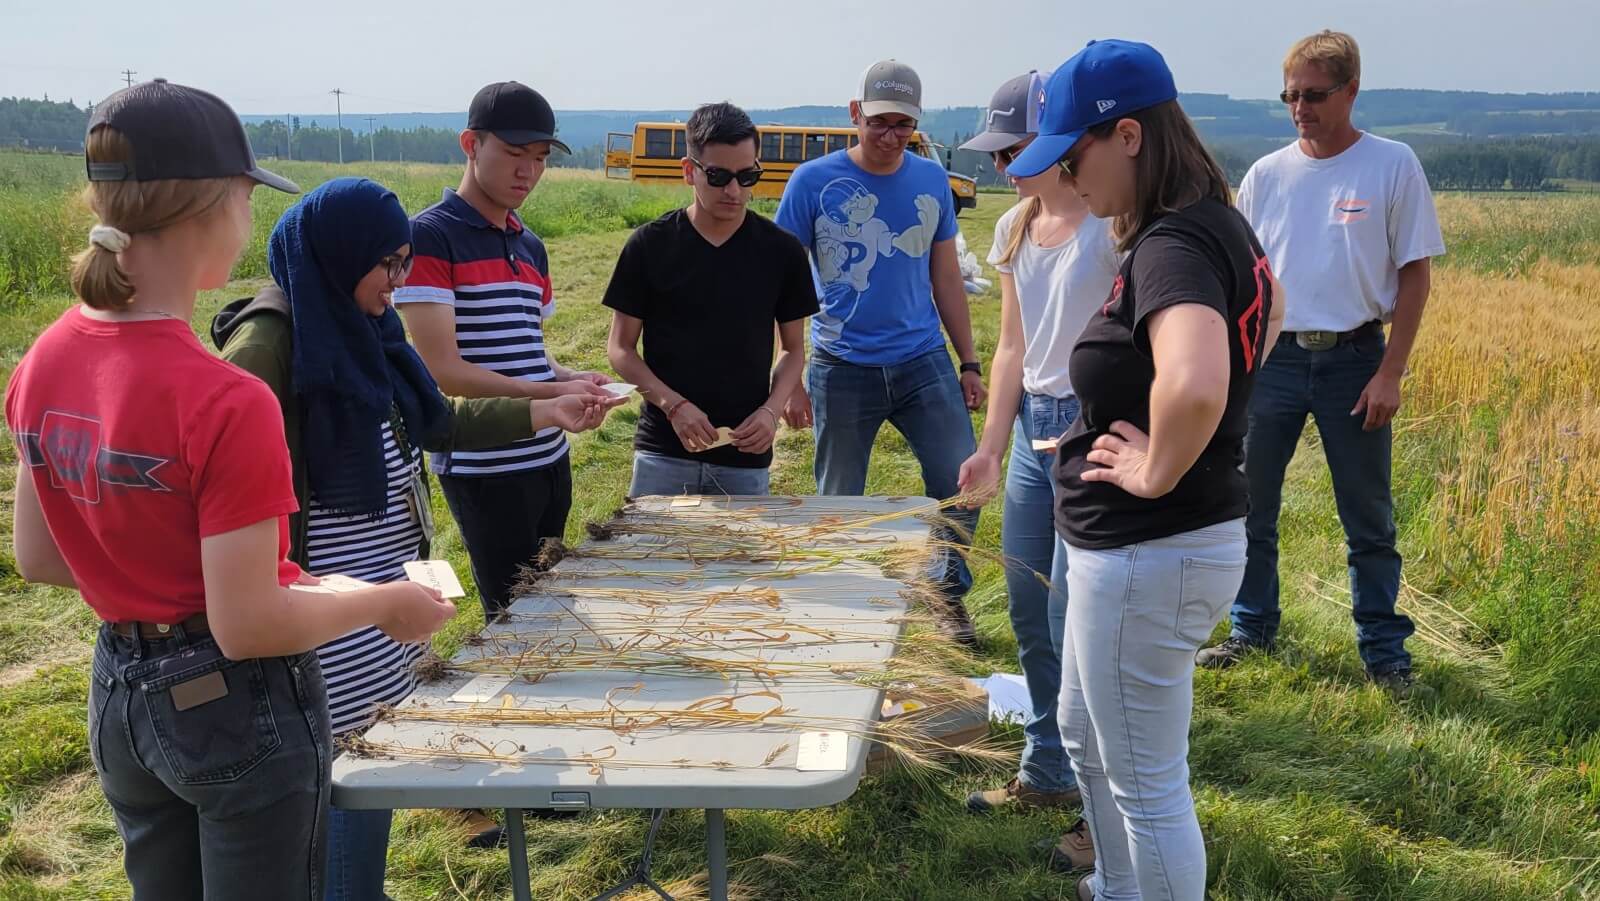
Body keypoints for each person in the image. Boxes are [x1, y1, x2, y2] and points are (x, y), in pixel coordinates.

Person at [5, 80, 454, 900]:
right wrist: (384, 602)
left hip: (118, 697)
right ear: (216, 207)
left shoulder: (43, 359)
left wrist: (226, 577)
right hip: (235, 711)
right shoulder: (226, 398)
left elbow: (39, 555)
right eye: (249, 195)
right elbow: (246, 624)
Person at [212, 177, 622, 899]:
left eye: (408, 264)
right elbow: (231, 491)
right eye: (389, 266)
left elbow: (438, 423)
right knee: (346, 765)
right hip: (322, 602)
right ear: (340, 255)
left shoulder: (365, 324)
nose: (400, 284)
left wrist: (547, 411)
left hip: (382, 585)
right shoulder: (269, 345)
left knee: (378, 745)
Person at [1003, 40, 1284, 900]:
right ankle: (1113, 887)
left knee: (1148, 787)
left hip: (1149, 552)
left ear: (1127, 135)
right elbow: (1267, 330)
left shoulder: (1170, 246)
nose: (1070, 181)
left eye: (1073, 157)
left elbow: (1197, 379)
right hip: (1141, 551)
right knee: (1086, 738)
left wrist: (1157, 467)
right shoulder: (1215, 222)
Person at [1197, 30, 1445, 698]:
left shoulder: (1392, 166)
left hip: (1357, 359)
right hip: (1271, 361)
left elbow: (1415, 277)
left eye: (1313, 94)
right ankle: (1251, 628)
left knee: (1368, 517)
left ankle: (1384, 653)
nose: (1300, 107)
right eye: (1290, 96)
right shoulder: (1266, 177)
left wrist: (1390, 371)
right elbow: (1242, 280)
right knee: (1250, 503)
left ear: (1351, 90)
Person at [775, 60, 988, 647]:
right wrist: (790, 377)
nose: (892, 135)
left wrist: (968, 362)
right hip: (842, 366)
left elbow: (946, 276)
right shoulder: (811, 183)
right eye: (880, 122)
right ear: (855, 114)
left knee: (962, 478)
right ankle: (840, 605)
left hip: (924, 362)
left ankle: (943, 590)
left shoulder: (929, 181)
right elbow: (785, 282)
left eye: (904, 125)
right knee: (839, 498)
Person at [954, 71, 1118, 819]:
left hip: (1093, 428)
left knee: (1072, 620)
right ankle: (1046, 769)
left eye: (1011, 148)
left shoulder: (1113, 223)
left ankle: (1098, 803)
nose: (999, 166)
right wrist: (991, 446)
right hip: (1030, 435)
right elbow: (1014, 347)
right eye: (994, 153)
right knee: (1027, 604)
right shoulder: (1014, 225)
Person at [395, 81, 614, 622]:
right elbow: (444, 372)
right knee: (512, 615)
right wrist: (554, 390)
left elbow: (527, 349)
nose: (528, 172)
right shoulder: (429, 237)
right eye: (515, 154)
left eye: (539, 158)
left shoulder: (530, 243)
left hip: (548, 454)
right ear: (470, 144)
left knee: (550, 596)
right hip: (483, 462)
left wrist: (575, 376)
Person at [603, 102, 816, 496]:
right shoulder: (650, 245)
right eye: (718, 177)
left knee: (742, 560)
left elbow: (793, 350)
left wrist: (771, 411)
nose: (735, 191)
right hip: (663, 452)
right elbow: (620, 349)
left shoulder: (781, 251)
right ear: (690, 171)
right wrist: (674, 407)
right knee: (651, 557)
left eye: (747, 176)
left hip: (745, 453)